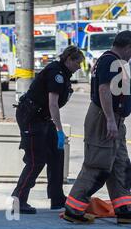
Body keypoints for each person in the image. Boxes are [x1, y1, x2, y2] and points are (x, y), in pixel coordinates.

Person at [62, 30, 131, 225]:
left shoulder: (114, 61)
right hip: (104, 120)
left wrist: (116, 121)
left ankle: (125, 210)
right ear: (127, 47)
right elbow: (104, 89)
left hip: (115, 121)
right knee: (98, 165)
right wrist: (110, 119)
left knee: (121, 166)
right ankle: (73, 209)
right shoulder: (111, 61)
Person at [11, 45, 85, 214]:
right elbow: (53, 104)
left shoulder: (64, 74)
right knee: (36, 160)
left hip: (43, 118)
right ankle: (18, 200)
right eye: (77, 63)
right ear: (68, 60)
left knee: (56, 154)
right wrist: (59, 130)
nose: (79, 67)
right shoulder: (56, 73)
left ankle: (57, 198)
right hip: (31, 117)